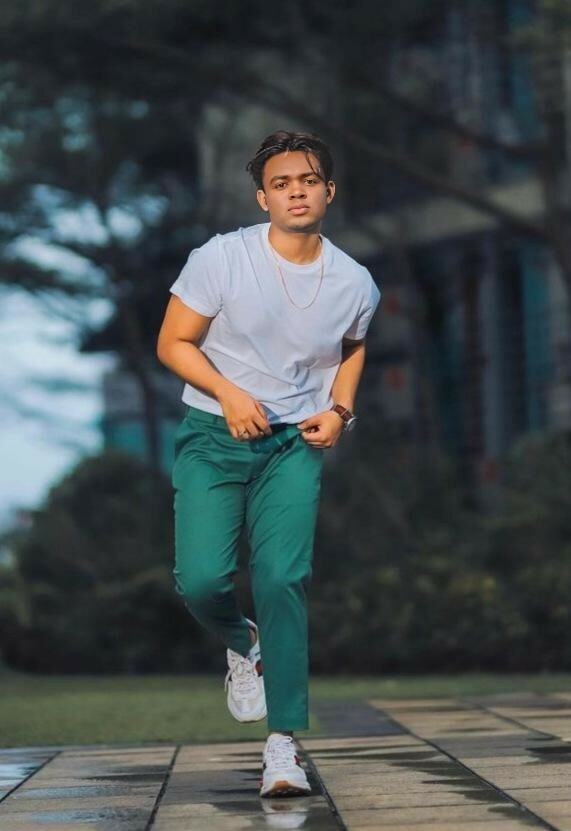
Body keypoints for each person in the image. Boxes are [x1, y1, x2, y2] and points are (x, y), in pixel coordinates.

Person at [157, 130, 381, 798]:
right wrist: (228, 393)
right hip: (213, 434)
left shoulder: (354, 282)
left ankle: (283, 745)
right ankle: (243, 641)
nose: (296, 193)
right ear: (263, 198)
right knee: (201, 581)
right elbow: (173, 341)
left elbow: (352, 347)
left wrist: (340, 411)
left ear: (328, 191)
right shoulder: (222, 258)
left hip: (293, 444)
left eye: (308, 181)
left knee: (283, 577)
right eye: (281, 184)